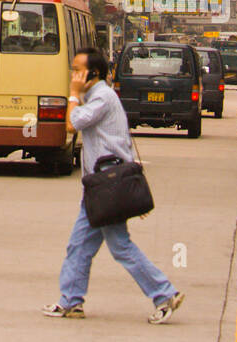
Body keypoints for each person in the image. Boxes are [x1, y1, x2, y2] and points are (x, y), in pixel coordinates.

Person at [43, 47, 185, 324]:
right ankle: (71, 302)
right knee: (79, 245)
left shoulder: (103, 98)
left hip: (107, 184)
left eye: (77, 71)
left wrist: (73, 93)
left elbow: (73, 123)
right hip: (100, 186)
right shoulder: (97, 96)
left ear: (92, 74)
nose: (72, 75)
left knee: (120, 246)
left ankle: (164, 294)